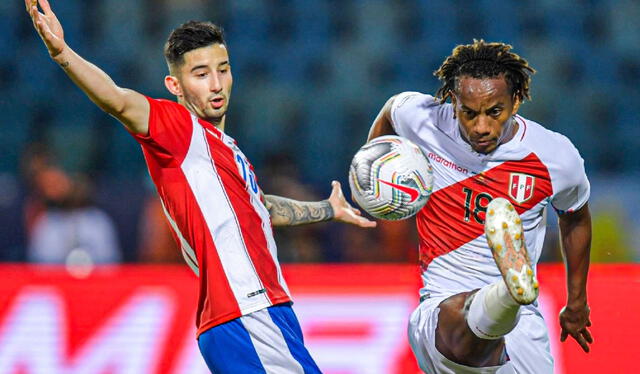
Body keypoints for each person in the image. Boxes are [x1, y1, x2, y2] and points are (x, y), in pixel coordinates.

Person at [26, 0, 376, 372]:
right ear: (174, 84)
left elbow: (259, 208)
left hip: (253, 313)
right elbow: (118, 100)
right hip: (246, 310)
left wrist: (327, 208)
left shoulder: (224, 149)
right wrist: (63, 53)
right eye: (200, 74)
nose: (215, 84)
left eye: (222, 70)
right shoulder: (179, 130)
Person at [367, 40, 592, 373]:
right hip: (443, 304)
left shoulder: (554, 156)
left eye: (494, 112)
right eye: (469, 113)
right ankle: (507, 291)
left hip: (523, 327)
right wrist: (378, 170)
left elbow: (575, 218)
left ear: (516, 102)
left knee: (496, 325)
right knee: (458, 322)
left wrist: (577, 302)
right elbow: (390, 112)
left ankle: (509, 294)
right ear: (453, 101)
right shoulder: (424, 120)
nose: (481, 127)